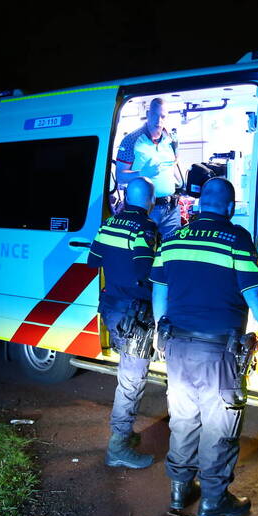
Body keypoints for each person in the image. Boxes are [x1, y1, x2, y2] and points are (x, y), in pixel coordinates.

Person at [150, 178, 258, 516]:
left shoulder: (173, 238)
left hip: (177, 346)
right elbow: (255, 293)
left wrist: (157, 330)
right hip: (218, 353)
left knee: (183, 420)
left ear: (199, 205)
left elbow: (159, 290)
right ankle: (213, 499)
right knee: (219, 426)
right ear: (229, 207)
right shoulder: (236, 239)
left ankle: (179, 491)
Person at [87, 177, 159, 469]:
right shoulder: (145, 228)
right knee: (131, 380)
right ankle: (118, 446)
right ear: (150, 201)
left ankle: (124, 436)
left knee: (128, 376)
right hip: (135, 315)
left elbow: (93, 261)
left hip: (112, 309)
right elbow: (147, 269)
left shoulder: (108, 225)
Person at [116, 98, 184, 239]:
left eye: (163, 116)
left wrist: (184, 185)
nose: (158, 120)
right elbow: (120, 176)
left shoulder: (171, 140)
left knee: (170, 253)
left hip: (171, 208)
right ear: (148, 113)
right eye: (154, 115)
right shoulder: (131, 140)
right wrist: (142, 173)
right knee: (144, 252)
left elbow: (175, 165)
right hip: (145, 210)